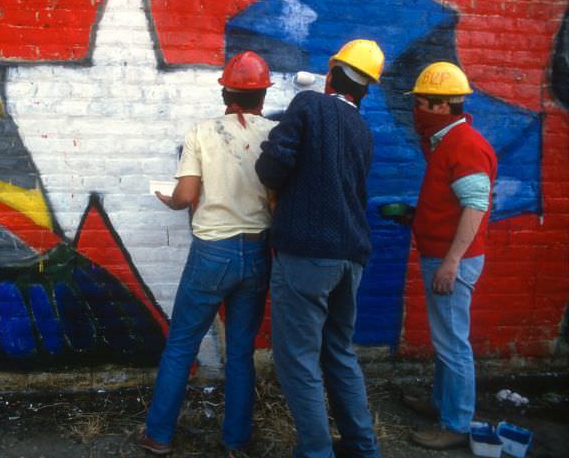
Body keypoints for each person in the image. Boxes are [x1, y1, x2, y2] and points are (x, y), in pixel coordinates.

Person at [137, 51, 277, 456]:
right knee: (240, 350)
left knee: (182, 344)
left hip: (212, 252)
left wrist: (169, 199)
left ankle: (159, 435)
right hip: (256, 251)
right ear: (262, 97)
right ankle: (236, 439)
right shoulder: (274, 135)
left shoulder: (201, 132)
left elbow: (186, 197)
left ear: (225, 93)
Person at [255, 39, 384, 458]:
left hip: (308, 254)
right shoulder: (363, 131)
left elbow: (273, 166)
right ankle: (364, 447)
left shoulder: (309, 105)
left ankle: (316, 451)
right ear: (365, 90)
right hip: (352, 256)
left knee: (298, 360)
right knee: (339, 353)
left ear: (331, 76)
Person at [402, 62, 498, 450]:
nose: (416, 110)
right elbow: (457, 200)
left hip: (451, 260)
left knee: (453, 344)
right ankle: (442, 404)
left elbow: (476, 205)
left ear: (442, 107)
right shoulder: (448, 142)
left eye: (421, 103)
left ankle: (456, 424)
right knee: (446, 339)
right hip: (442, 255)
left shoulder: (465, 146)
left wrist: (452, 261)